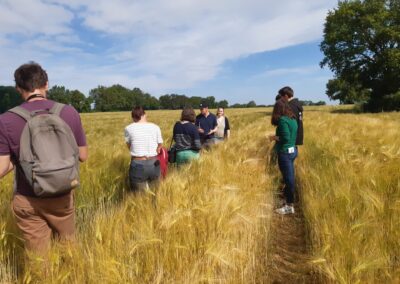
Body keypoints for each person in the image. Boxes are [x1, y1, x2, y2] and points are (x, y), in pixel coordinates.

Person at [0, 62, 88, 253]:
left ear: (18, 88)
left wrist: (19, 160)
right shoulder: (69, 112)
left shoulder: (6, 120)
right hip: (63, 194)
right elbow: (83, 156)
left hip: (28, 198)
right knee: (69, 249)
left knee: (39, 260)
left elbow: (2, 168)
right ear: (46, 84)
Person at [269, 99, 298, 215]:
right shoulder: (293, 119)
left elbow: (285, 138)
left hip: (285, 153)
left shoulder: (282, 120)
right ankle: (287, 200)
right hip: (293, 151)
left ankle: (289, 206)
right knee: (289, 177)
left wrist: (273, 137)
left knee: (289, 179)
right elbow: (291, 136)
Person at [124, 106, 163, 192]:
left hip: (138, 164)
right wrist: (157, 149)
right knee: (156, 194)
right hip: (154, 164)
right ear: (145, 114)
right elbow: (160, 145)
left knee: (139, 197)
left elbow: (129, 146)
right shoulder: (155, 127)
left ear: (133, 117)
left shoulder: (128, 128)